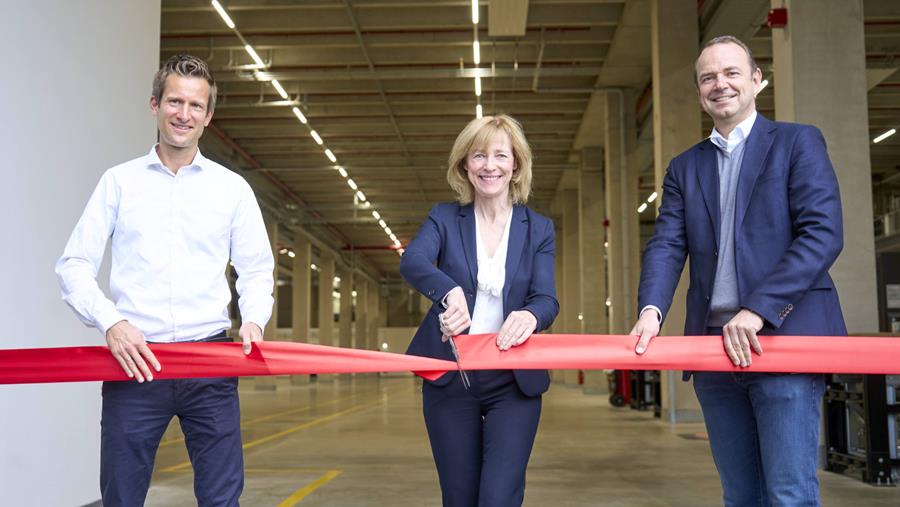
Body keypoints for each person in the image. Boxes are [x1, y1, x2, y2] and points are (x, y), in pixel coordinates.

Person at [629, 35, 846, 506]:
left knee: (788, 493)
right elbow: (666, 244)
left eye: (731, 73)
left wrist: (758, 309)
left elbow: (823, 234)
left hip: (783, 342)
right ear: (700, 90)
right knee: (740, 495)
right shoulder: (684, 168)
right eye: (708, 77)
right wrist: (651, 310)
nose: (720, 84)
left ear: (756, 80)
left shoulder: (796, 142)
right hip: (714, 353)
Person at [56, 54, 274, 506]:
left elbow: (255, 268)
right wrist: (112, 323)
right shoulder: (118, 183)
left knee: (221, 499)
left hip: (210, 362)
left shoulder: (232, 189)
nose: (184, 114)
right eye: (175, 101)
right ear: (154, 105)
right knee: (122, 497)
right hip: (135, 363)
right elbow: (73, 264)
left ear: (208, 116)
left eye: (196, 106)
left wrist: (254, 319)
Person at [400, 114, 558, 506]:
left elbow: (546, 298)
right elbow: (413, 261)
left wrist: (531, 316)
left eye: (501, 156)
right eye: (479, 156)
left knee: (499, 497)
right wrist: (448, 291)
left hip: (513, 380)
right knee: (459, 497)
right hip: (452, 377)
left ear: (516, 165)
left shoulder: (538, 228)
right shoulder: (443, 217)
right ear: (465, 166)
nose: (490, 166)